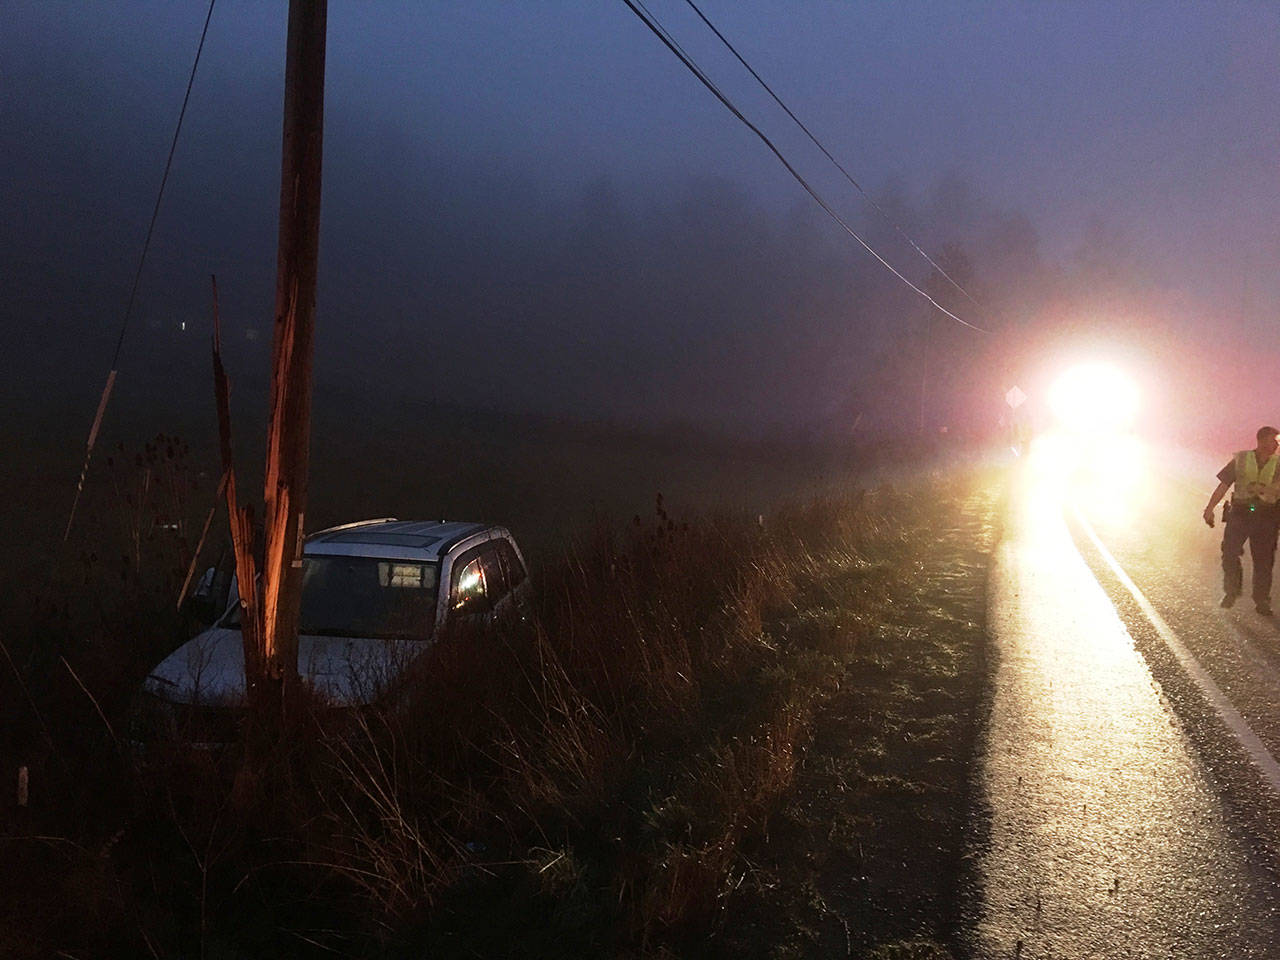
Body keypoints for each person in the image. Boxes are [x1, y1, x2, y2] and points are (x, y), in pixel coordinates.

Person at [1203, 426, 1280, 615]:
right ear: (1261, 441)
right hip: (1240, 514)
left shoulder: (1279, 464)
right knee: (1229, 553)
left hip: (1267, 517)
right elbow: (1224, 485)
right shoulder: (1242, 459)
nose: (1276, 445)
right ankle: (1231, 591)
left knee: (1263, 562)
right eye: (1273, 441)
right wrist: (1210, 508)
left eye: (1278, 442)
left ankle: (1262, 600)